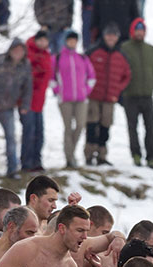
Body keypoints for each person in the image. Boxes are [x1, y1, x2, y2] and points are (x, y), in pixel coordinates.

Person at [0, 38, 33, 178]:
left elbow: (28, 87)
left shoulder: (25, 65)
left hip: (9, 107)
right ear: (10, 51)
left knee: (11, 138)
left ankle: (12, 169)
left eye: (21, 51)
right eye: (15, 50)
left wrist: (25, 105)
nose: (18, 53)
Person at [121, 18, 153, 168]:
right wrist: (123, 87)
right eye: (137, 30)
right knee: (132, 128)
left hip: (147, 96)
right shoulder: (124, 48)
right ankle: (136, 155)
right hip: (130, 96)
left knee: (150, 128)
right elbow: (118, 68)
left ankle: (151, 157)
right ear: (132, 31)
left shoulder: (151, 50)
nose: (140, 33)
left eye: (142, 30)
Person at [85, 24, 132, 166]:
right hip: (93, 96)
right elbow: (84, 70)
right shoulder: (93, 51)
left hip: (110, 98)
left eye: (114, 36)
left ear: (117, 38)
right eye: (108, 35)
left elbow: (127, 75)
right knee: (92, 125)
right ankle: (88, 155)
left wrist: (117, 90)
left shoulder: (121, 55)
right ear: (104, 36)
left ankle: (102, 155)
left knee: (105, 126)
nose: (111, 38)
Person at [53, 32, 96, 168]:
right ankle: (69, 158)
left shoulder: (82, 58)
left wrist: (86, 91)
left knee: (80, 125)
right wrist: (57, 91)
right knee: (68, 127)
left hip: (81, 98)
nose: (72, 43)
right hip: (65, 99)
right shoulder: (58, 58)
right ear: (66, 42)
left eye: (74, 41)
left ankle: (71, 153)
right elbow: (52, 77)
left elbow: (91, 76)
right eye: (70, 40)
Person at [23, 32, 55, 173]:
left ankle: (37, 161)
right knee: (29, 133)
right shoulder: (27, 53)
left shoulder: (47, 54)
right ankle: (26, 163)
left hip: (39, 102)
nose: (43, 43)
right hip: (27, 101)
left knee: (39, 133)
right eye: (40, 40)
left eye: (45, 40)